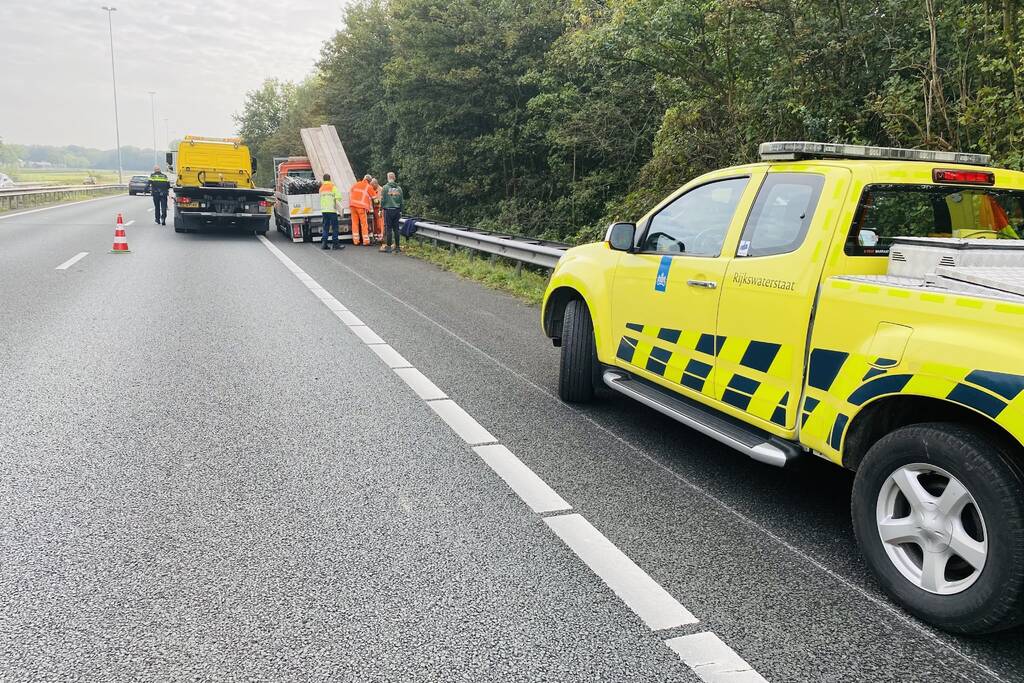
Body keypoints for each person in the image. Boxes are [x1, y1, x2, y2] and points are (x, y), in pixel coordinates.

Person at [380, 171, 404, 253]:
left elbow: (383, 200)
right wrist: (401, 210)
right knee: (396, 229)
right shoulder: (399, 188)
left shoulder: (385, 188)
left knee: (389, 229)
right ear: (394, 178)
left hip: (388, 210)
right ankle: (397, 246)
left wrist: (380, 209)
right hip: (397, 210)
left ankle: (389, 247)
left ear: (388, 178)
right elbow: (401, 201)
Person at [319, 174, 345, 250]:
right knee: (335, 227)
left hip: (324, 211)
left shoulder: (321, 188)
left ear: (323, 180)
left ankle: (324, 244)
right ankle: (335, 244)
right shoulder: (333, 187)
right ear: (330, 179)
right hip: (332, 210)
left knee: (325, 227)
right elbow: (339, 197)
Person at [349, 174, 374, 245]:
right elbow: (374, 198)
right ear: (369, 181)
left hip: (353, 206)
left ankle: (356, 241)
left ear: (364, 178)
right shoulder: (369, 187)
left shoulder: (356, 184)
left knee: (355, 223)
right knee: (364, 224)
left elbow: (351, 192)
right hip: (361, 207)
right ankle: (366, 241)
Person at [370, 177, 383, 244]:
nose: (371, 186)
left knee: (379, 224)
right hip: (374, 209)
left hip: (378, 208)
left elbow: (379, 201)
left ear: (375, 184)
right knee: (374, 224)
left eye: (372, 185)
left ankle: (380, 237)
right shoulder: (373, 189)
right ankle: (376, 237)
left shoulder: (381, 190)